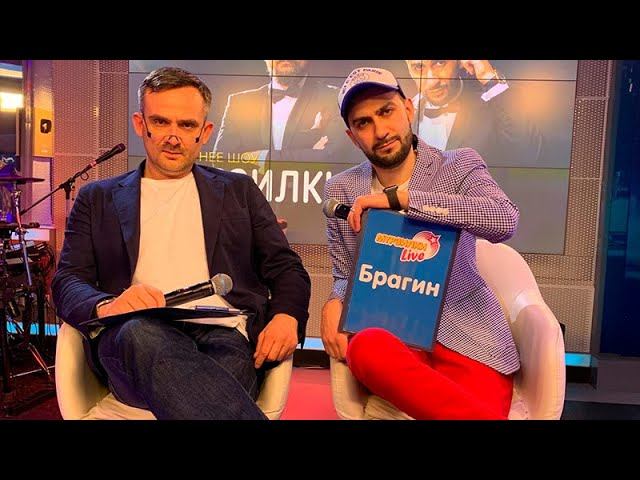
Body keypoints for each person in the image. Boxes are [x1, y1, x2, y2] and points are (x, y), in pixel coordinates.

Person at [51, 67, 311, 420]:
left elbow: (286, 266)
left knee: (221, 375)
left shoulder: (239, 191)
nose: (173, 137)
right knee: (144, 337)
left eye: (187, 125)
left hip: (223, 334)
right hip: (134, 334)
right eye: (161, 122)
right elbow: (67, 281)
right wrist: (108, 305)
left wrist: (286, 315)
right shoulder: (97, 198)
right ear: (140, 124)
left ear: (205, 132)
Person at [321, 67, 520, 420]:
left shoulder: (459, 165)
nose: (380, 131)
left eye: (386, 111)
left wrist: (402, 199)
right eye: (364, 123)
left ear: (409, 108)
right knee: (365, 348)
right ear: (352, 136)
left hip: (465, 336)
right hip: (393, 336)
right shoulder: (341, 188)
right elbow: (344, 273)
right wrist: (334, 302)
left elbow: (504, 219)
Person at [405, 59, 543, 167]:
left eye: (440, 63)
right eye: (418, 67)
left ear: (459, 62)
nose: (431, 81)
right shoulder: (403, 113)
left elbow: (528, 155)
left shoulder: (492, 106)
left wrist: (489, 78)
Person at [213, 60, 350, 162]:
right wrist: (308, 153)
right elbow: (222, 160)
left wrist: (261, 157)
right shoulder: (239, 103)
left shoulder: (334, 98)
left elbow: (333, 156)